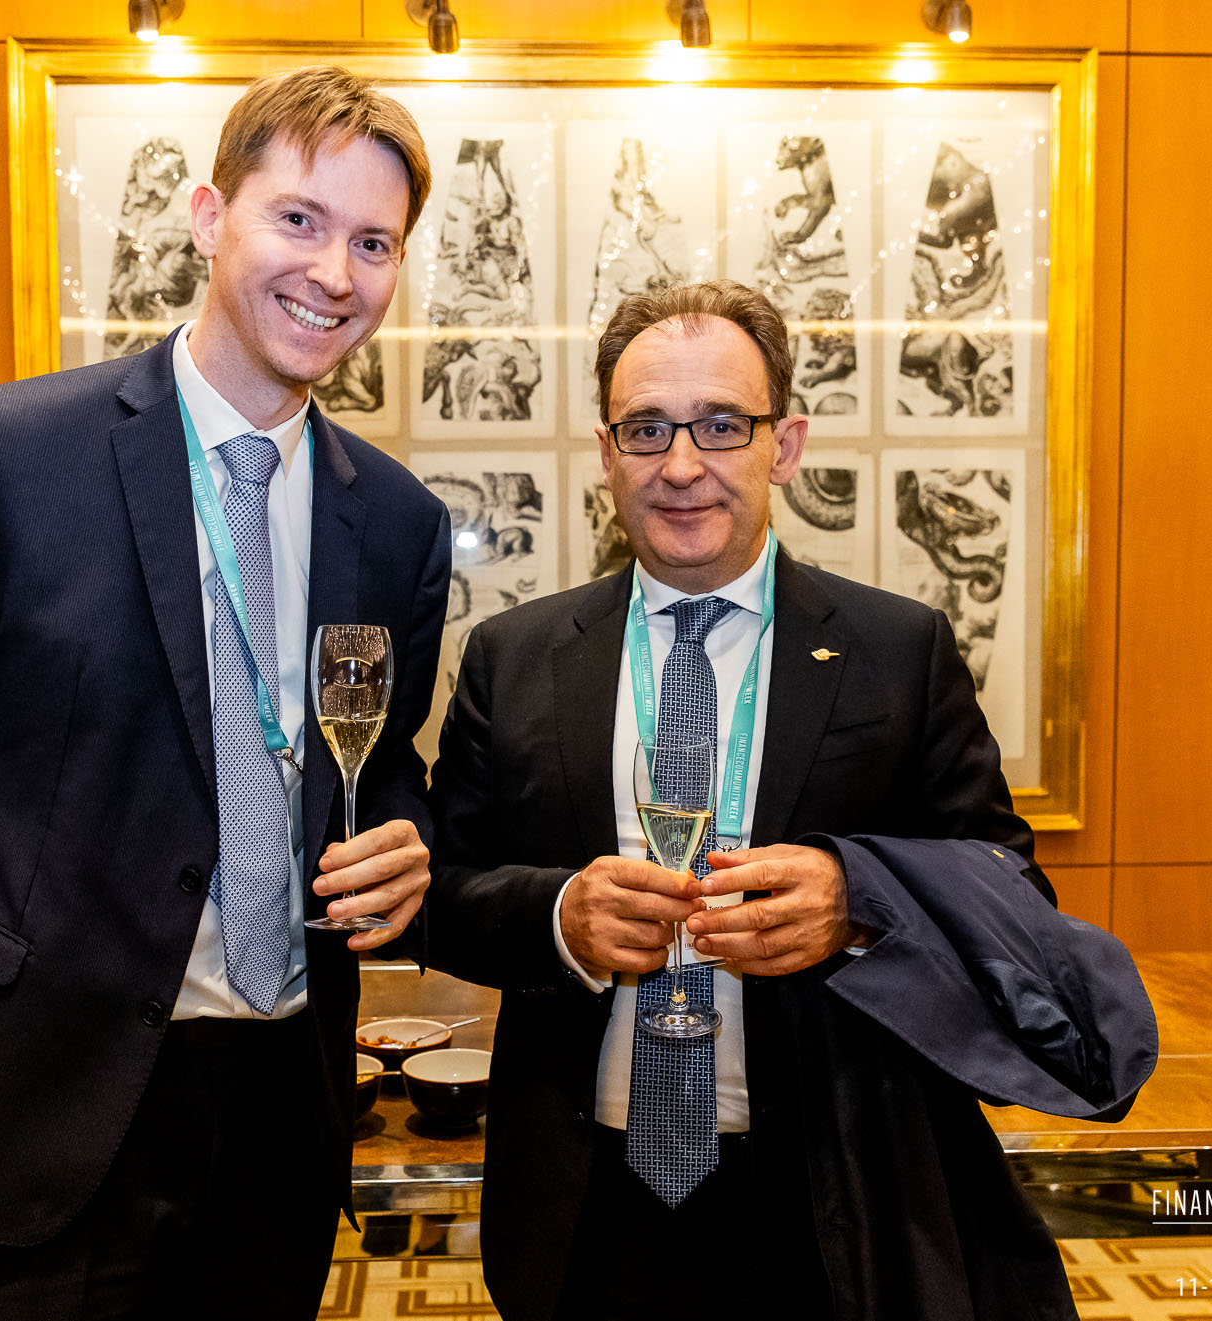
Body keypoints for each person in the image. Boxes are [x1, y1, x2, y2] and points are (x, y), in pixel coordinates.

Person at [0, 66, 450, 1319]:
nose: (334, 273)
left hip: (279, 1110)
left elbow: (374, 765)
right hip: (32, 1096)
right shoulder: (0, 457)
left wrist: (406, 835)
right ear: (210, 217)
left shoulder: (395, 521)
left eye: (373, 242)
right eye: (299, 220)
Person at [426, 280, 1156, 1321]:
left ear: (786, 444)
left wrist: (857, 900)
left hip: (830, 1195)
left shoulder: (898, 650)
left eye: (722, 424)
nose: (683, 465)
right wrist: (560, 916)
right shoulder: (514, 656)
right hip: (583, 1198)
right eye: (647, 429)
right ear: (607, 453)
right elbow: (445, 892)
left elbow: (1011, 891)